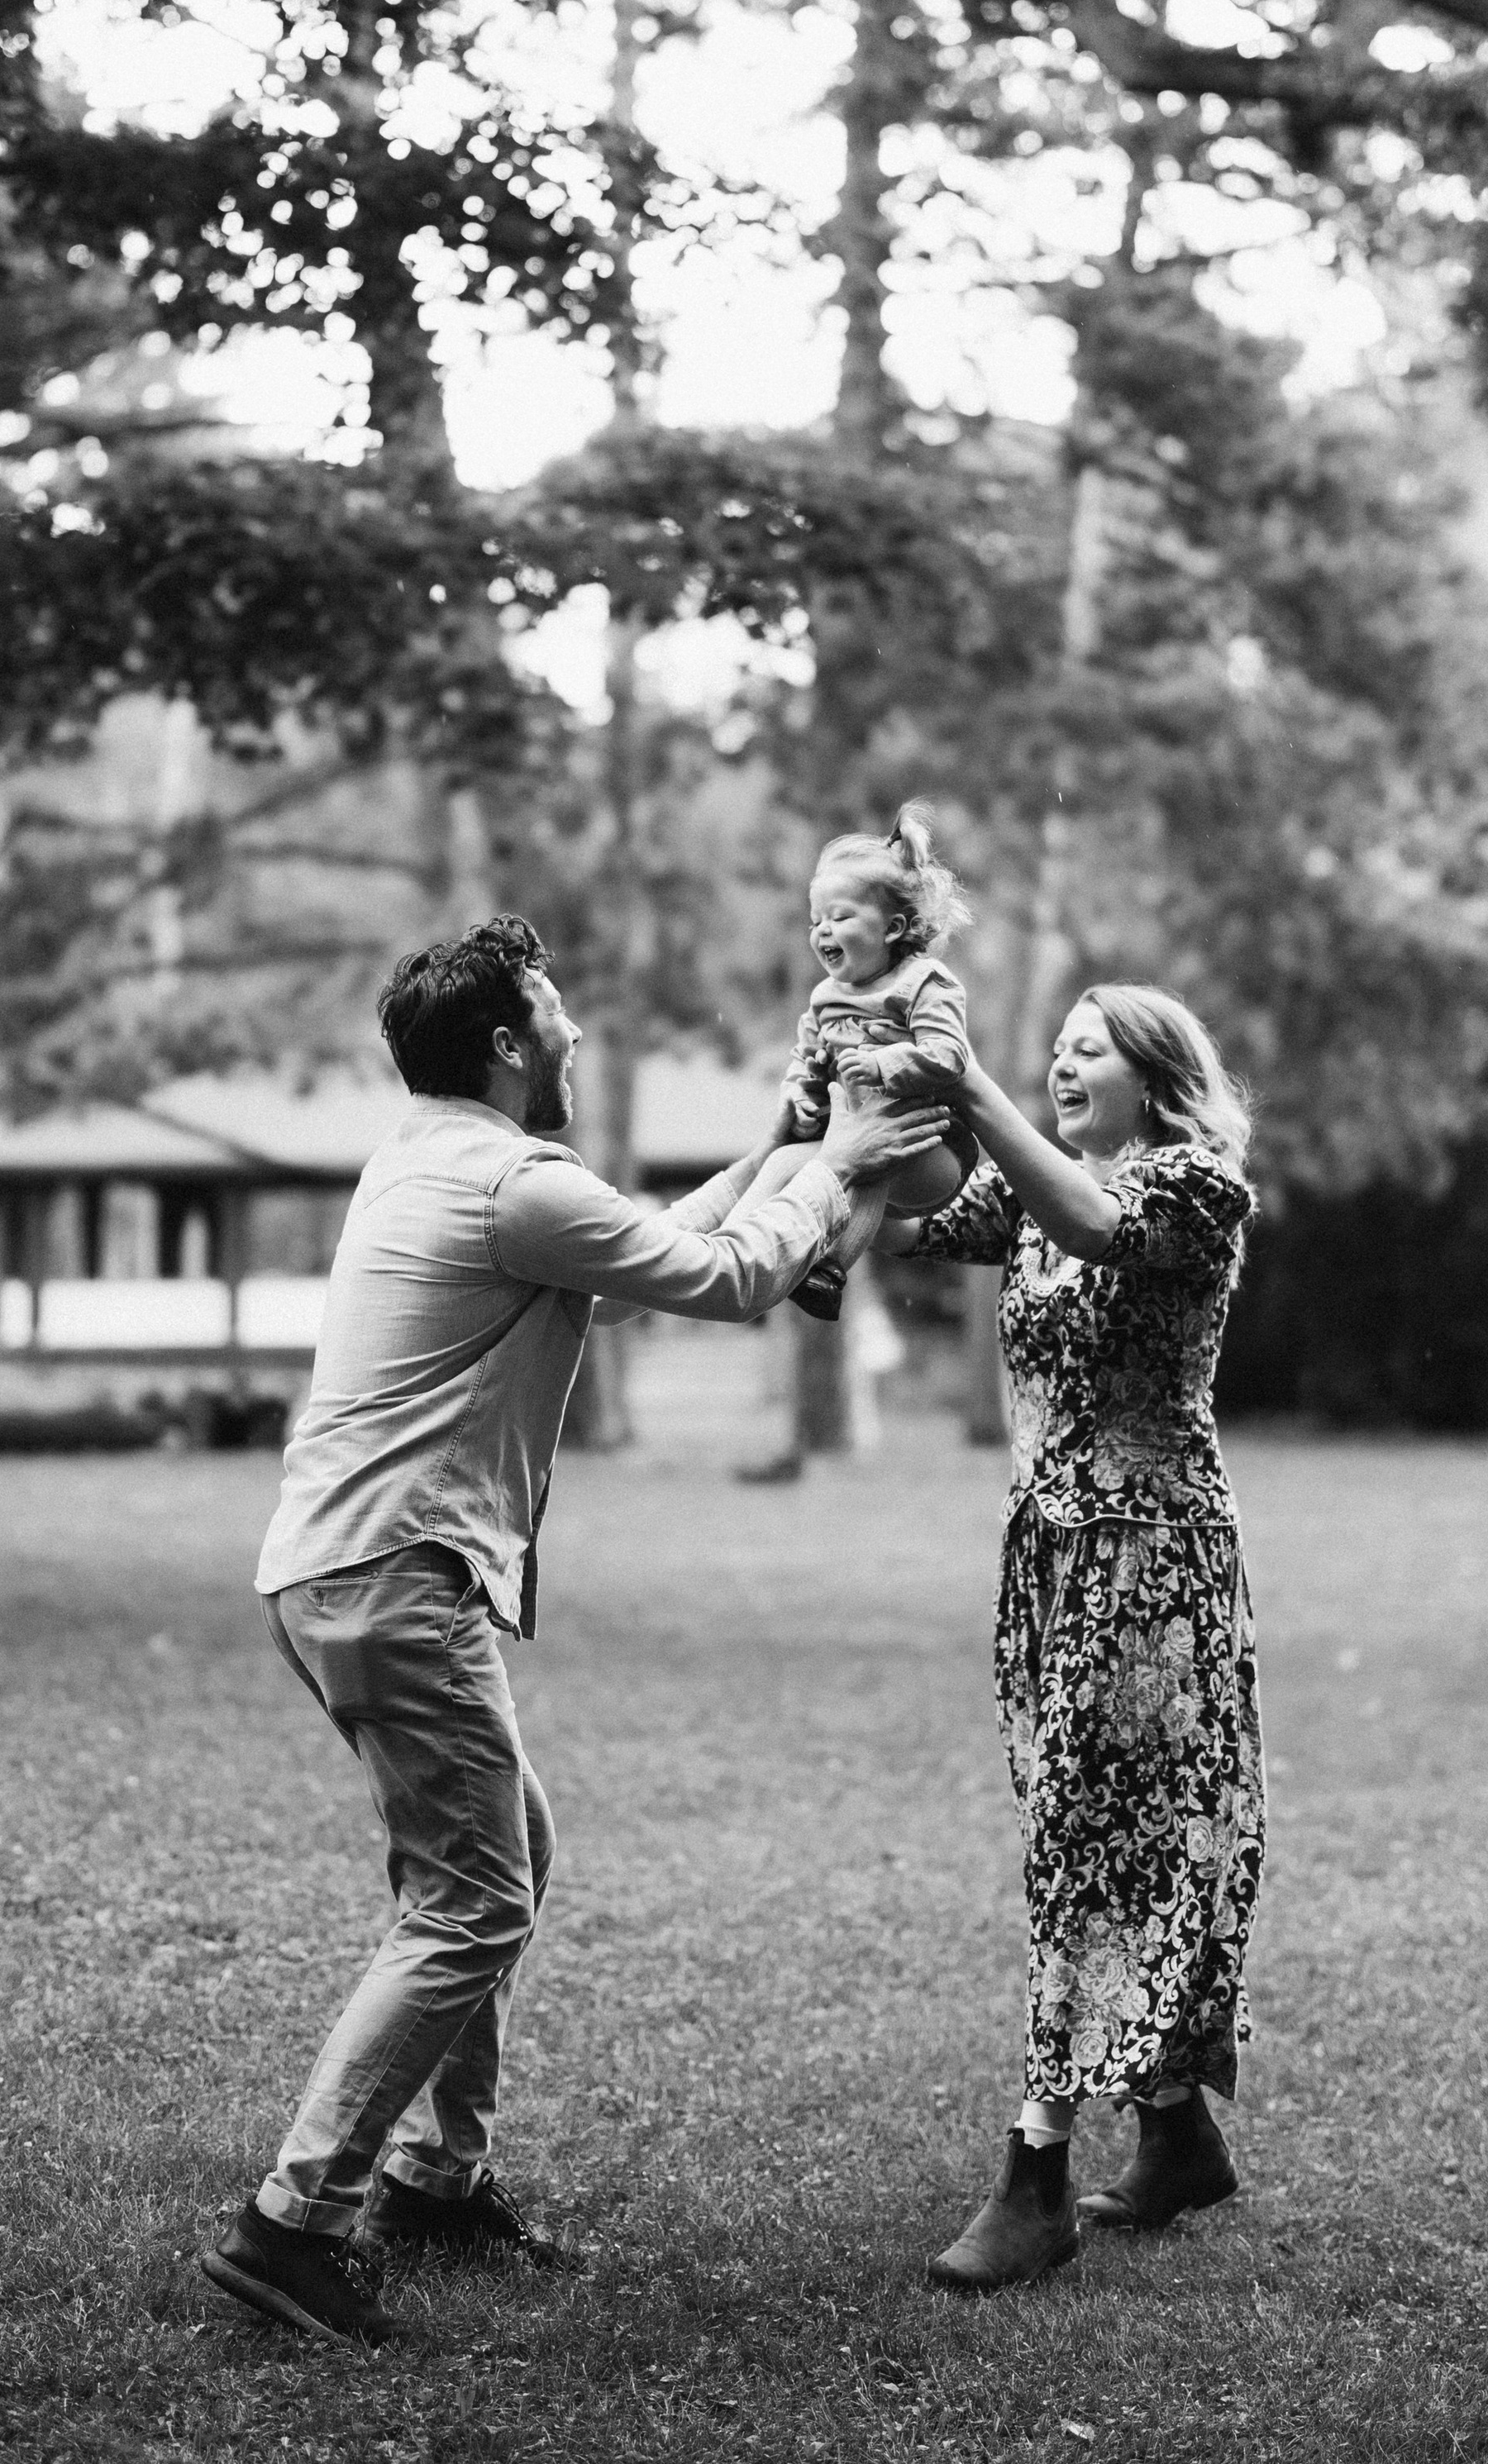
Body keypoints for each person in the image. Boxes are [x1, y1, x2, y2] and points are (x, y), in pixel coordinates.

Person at [200, 915, 946, 2349]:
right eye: (554, 1009)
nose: (577, 1030)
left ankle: (436, 2181)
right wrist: (841, 1162)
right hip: (396, 1576)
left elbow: (651, 1239)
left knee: (500, 1862)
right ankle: (292, 2223)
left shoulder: (438, 1158)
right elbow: (728, 1279)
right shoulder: (510, 1182)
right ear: (506, 1041)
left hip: (343, 1568)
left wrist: (784, 1143)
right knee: (474, 1899)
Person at [885, 984, 1264, 2290]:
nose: (1060, 1062)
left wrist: (971, 1085)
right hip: (1050, 1557)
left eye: (1087, 1047)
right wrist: (867, 1092)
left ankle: (1036, 2172)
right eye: (1055, 1046)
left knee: (1080, 1840)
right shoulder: (1036, 1186)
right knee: (1096, 1829)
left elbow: (1097, 1226)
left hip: (1150, 1560)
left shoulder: (1195, 1188)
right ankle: (1176, 2137)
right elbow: (921, 1214)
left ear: (1153, 1074)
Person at [748, 802, 980, 1322]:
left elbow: (950, 1056)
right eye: (816, 920)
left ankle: (829, 1268)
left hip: (932, 1147)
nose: (823, 931)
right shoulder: (826, 997)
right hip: (853, 1139)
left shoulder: (924, 983)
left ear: (893, 927)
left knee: (869, 1162)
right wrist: (801, 1094)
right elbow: (803, 1058)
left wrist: (883, 1066)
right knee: (782, 1163)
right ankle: (733, 1249)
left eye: (840, 917)